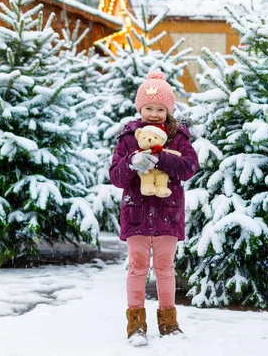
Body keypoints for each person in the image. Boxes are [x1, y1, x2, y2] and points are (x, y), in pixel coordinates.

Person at [109, 70, 199, 346]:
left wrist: (162, 160)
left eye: (160, 109)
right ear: (140, 108)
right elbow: (115, 175)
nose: (154, 114)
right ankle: (135, 325)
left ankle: (169, 323)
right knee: (137, 267)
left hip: (167, 214)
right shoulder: (129, 137)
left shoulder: (178, 137)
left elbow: (189, 167)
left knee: (165, 268)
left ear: (168, 110)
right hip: (135, 212)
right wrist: (132, 162)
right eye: (148, 108)